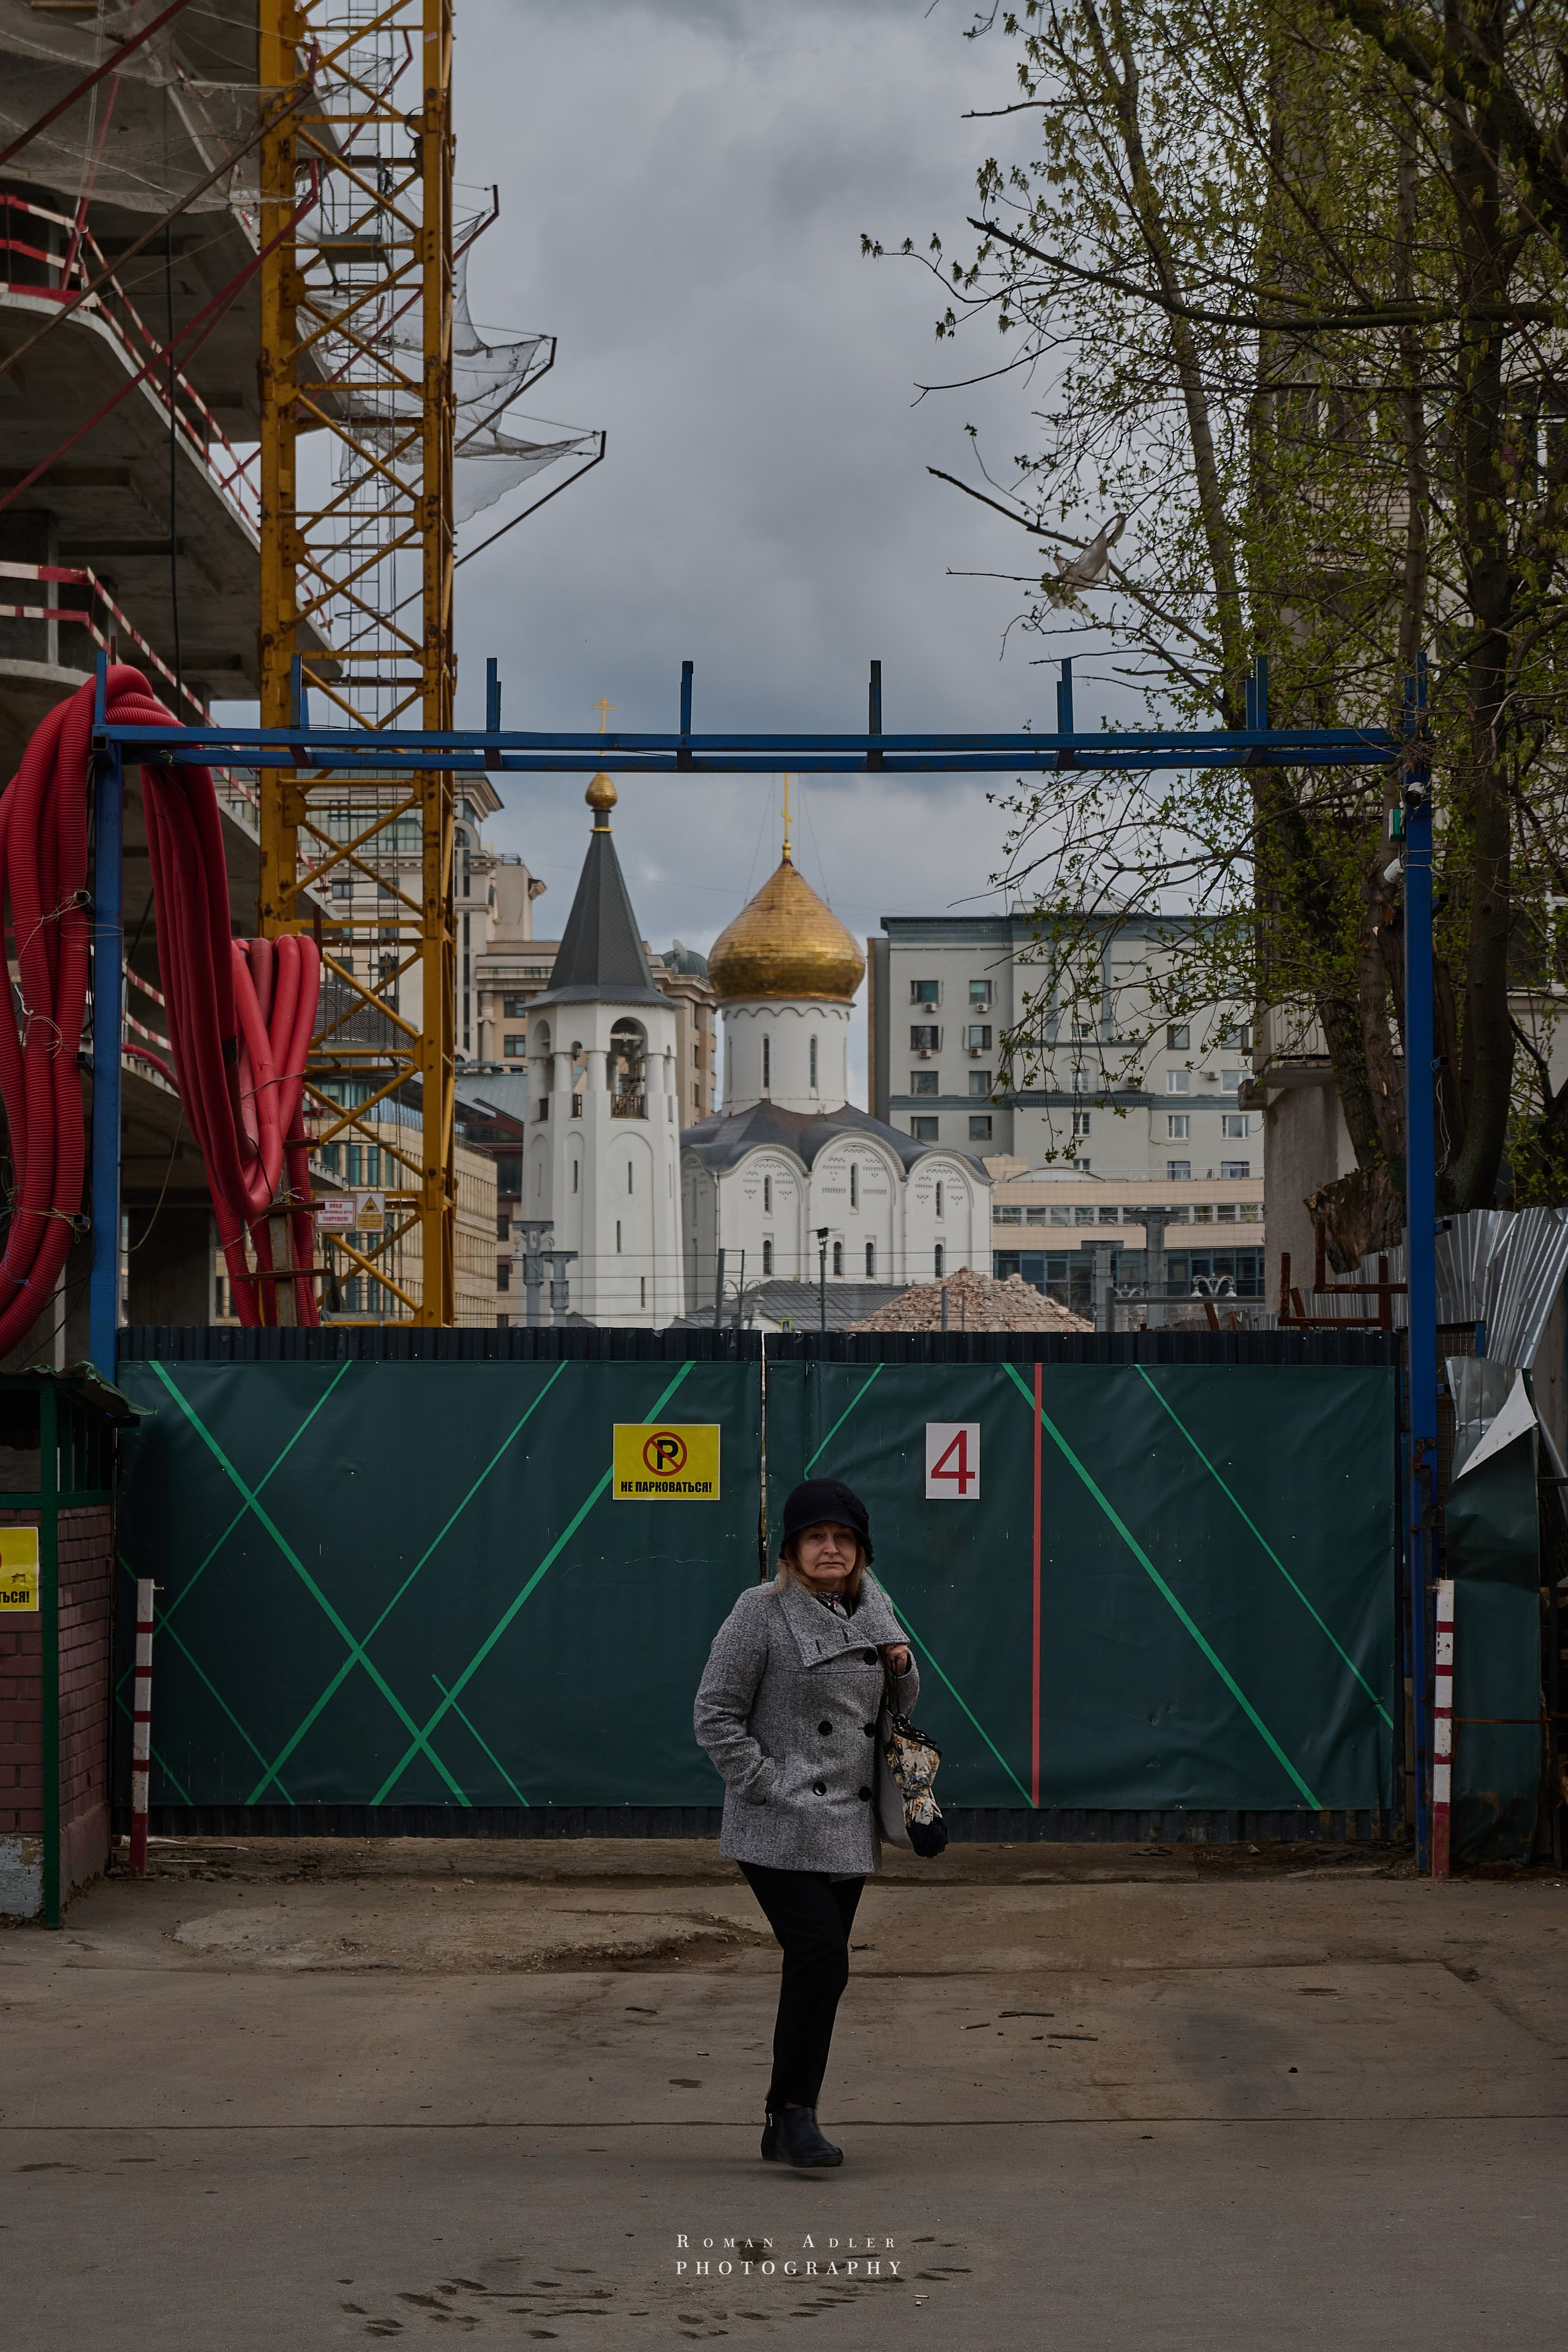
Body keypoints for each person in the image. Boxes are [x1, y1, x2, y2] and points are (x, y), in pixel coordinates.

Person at [693, 1475, 918, 2169]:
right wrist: (764, 1785)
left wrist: (903, 1667)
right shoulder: (758, 1612)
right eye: (816, 1537)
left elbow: (890, 1706)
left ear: (861, 1549)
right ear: (791, 1549)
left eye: (843, 1538)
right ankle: (795, 2114)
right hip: (779, 1821)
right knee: (822, 1954)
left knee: (817, 1970)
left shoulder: (872, 1606)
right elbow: (715, 1713)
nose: (831, 1548)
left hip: (845, 1824)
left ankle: (784, 2118)